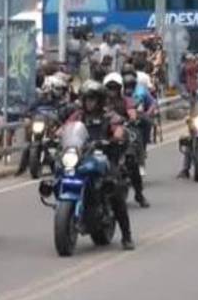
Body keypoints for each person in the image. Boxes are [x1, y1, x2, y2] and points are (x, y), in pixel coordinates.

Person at [64, 80, 135, 250]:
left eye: (93, 99)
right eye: (87, 99)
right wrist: (54, 136)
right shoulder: (78, 116)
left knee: (115, 190)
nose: (89, 102)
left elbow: (119, 128)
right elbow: (65, 128)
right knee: (62, 171)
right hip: (81, 157)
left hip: (103, 158)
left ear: (100, 100)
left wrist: (116, 136)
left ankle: (127, 235)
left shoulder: (108, 116)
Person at [103, 72, 149, 208]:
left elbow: (131, 111)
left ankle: (139, 194)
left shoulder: (126, 100)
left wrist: (131, 117)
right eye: (109, 88)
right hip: (103, 134)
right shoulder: (99, 102)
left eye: (115, 88)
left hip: (123, 132)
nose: (112, 91)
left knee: (130, 159)